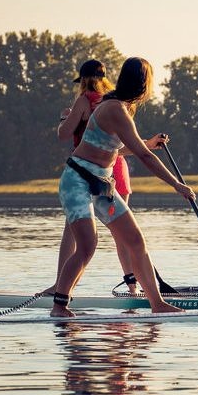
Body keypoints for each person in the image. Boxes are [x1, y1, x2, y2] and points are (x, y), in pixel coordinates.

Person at [52, 57, 195, 317]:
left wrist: (149, 144)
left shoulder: (120, 108)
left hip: (101, 184)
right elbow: (144, 156)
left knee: (135, 240)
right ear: (142, 84)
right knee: (87, 245)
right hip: (77, 181)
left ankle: (157, 303)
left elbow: (124, 148)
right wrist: (176, 184)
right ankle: (59, 306)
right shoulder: (115, 108)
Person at [45, 59, 153, 297]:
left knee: (75, 235)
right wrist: (148, 145)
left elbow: (64, 135)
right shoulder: (117, 103)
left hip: (85, 173)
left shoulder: (84, 101)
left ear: (83, 80)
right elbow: (125, 146)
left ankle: (60, 288)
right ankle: (134, 286)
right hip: (115, 170)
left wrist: (65, 118)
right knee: (124, 235)